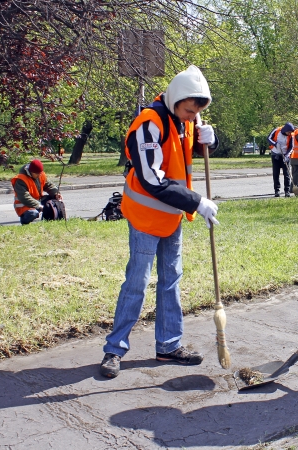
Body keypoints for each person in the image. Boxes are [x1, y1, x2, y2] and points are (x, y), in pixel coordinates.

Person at [100, 65, 220, 378]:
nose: (192, 117)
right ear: (175, 99)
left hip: (171, 216)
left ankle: (168, 345)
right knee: (137, 282)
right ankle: (115, 349)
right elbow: (152, 179)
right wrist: (197, 202)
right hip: (144, 216)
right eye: (189, 110)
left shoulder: (186, 120)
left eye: (197, 113)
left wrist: (211, 140)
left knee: (171, 278)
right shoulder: (149, 124)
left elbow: (184, 152)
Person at [10, 159, 62, 225]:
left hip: (37, 201)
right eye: (37, 174)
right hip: (24, 205)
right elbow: (24, 197)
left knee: (53, 201)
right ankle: (24, 222)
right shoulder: (21, 180)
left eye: (40, 173)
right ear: (31, 172)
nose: (39, 175)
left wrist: (56, 193)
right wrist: (38, 206)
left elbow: (49, 185)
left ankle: (48, 221)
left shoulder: (40, 174)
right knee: (33, 213)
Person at [267, 122, 295, 197]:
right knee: (276, 173)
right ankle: (277, 190)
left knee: (287, 174)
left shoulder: (291, 136)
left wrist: (287, 156)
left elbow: (291, 147)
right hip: (275, 154)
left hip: (285, 155)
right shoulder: (277, 130)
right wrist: (275, 144)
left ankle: (287, 191)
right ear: (285, 129)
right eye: (288, 132)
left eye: (290, 132)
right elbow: (269, 138)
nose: (289, 133)